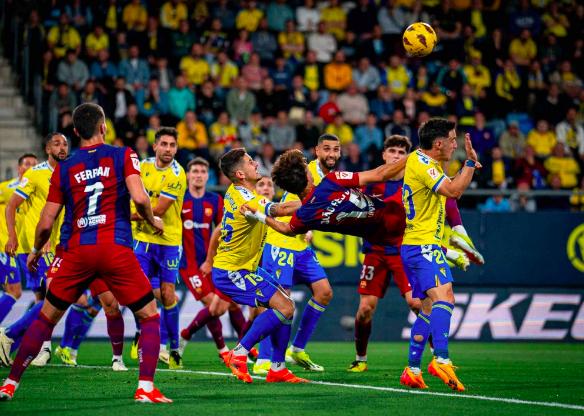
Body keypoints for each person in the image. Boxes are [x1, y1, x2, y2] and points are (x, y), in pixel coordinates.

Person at [0, 103, 170, 403]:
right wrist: (151, 219)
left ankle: (9, 384)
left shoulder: (64, 168)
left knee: (46, 318)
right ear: (103, 127)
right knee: (148, 316)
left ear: (76, 131)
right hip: (115, 247)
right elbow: (140, 197)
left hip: (76, 251)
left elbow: (46, 222)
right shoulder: (123, 155)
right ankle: (145, 387)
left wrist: (36, 250)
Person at [212, 148, 307, 384]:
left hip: (247, 268)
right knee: (284, 307)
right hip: (231, 271)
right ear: (240, 174)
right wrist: (315, 199)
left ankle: (277, 368)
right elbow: (280, 210)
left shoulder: (238, 192)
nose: (255, 164)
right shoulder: (246, 199)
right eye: (249, 162)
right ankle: (239, 353)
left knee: (287, 306)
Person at [399, 118, 480, 392]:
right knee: (445, 297)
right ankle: (441, 359)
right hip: (423, 246)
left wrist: (467, 166)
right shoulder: (424, 165)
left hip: (417, 245)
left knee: (427, 307)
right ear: (438, 143)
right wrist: (470, 163)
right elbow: (454, 191)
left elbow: (451, 189)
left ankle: (412, 370)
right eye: (452, 140)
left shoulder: (423, 161)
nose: (455, 144)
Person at [348, 135, 421, 373]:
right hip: (375, 252)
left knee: (417, 304)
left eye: (401, 153)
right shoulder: (370, 181)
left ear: (406, 157)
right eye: (392, 151)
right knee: (365, 310)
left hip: (402, 251)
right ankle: (360, 359)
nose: (396, 156)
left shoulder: (414, 183)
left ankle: (437, 356)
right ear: (384, 155)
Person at [2, 134, 69, 366]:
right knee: (52, 297)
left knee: (44, 298)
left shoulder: (69, 172)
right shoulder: (36, 174)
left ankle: (39, 347)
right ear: (47, 149)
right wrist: (12, 236)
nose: (62, 147)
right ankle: (10, 335)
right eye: (57, 144)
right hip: (38, 247)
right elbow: (11, 206)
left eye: (65, 144)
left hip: (59, 245)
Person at [177, 158, 248, 364]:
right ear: (188, 175)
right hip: (189, 265)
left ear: (207, 176)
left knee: (232, 304)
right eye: (195, 171)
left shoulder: (215, 200)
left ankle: (245, 348)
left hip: (213, 263)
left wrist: (215, 259)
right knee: (212, 304)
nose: (198, 175)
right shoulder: (180, 200)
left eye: (202, 172)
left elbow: (222, 230)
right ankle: (222, 349)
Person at [131, 127, 186, 370]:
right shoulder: (141, 168)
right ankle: (140, 333)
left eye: (172, 145)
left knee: (167, 294)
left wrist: (127, 215)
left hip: (169, 241)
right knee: (139, 290)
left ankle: (173, 348)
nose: (168, 149)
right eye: (163, 144)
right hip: (142, 239)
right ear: (154, 146)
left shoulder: (177, 174)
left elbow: (160, 211)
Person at [0, 154, 38, 324]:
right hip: (5, 245)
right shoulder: (8, 187)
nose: (31, 167)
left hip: (25, 247)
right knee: (14, 291)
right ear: (19, 168)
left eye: (34, 164)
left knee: (17, 291)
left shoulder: (37, 188)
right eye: (27, 164)